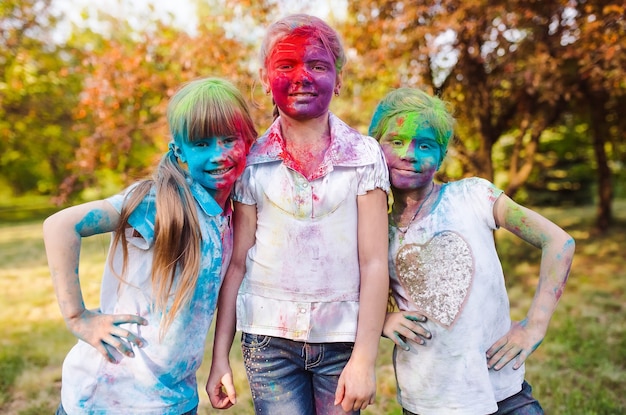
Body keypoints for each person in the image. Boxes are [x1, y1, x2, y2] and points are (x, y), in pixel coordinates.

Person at [206, 14, 390, 415]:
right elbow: (237, 264)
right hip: (268, 341)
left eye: (318, 65)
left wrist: (364, 358)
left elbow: (375, 262)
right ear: (265, 76)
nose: (302, 77)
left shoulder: (363, 156)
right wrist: (220, 357)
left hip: (343, 338)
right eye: (286, 65)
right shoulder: (252, 160)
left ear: (338, 79)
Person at [43, 77, 257, 415]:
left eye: (228, 139)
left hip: (174, 399)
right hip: (106, 399)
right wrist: (77, 316)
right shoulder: (158, 201)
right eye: (201, 144)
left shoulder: (229, 218)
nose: (218, 154)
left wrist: (219, 363)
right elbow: (59, 226)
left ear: (248, 140)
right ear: (179, 150)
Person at [368, 87, 575, 415]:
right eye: (396, 141)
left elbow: (559, 242)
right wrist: (381, 319)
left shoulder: (474, 196)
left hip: (503, 390)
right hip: (428, 400)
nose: (410, 154)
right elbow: (345, 290)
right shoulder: (372, 227)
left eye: (425, 144)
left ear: (441, 154)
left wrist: (535, 324)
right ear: (374, 146)